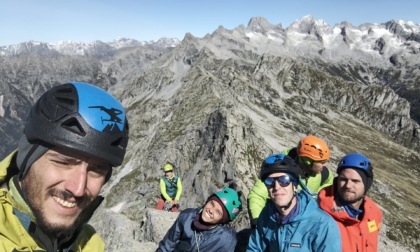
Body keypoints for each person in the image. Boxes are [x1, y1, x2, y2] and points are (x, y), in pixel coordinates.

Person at [0, 82, 129, 251]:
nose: (78, 189)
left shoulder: (91, 244)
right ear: (26, 158)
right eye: (63, 162)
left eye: (97, 170)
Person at [247, 153, 341, 251]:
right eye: (270, 181)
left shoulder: (322, 224)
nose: (277, 187)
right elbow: (255, 248)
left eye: (284, 180)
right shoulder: (267, 216)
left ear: (295, 186)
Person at [247, 135, 333, 228]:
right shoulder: (279, 168)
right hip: (277, 221)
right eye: (322, 162)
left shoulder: (324, 174)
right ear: (309, 162)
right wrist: (258, 224)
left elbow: (329, 186)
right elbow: (257, 195)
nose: (325, 166)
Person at [318, 153, 382, 252]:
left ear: (366, 184)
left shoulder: (374, 213)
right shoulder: (319, 214)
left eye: (355, 181)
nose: (348, 185)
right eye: (343, 179)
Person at [157, 187, 242, 252]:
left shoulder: (226, 239)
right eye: (212, 204)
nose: (211, 210)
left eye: (218, 212)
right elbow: (168, 244)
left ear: (223, 220)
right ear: (207, 201)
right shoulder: (187, 217)